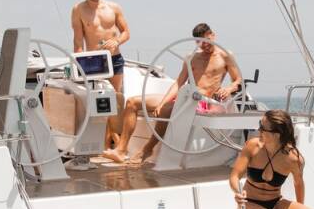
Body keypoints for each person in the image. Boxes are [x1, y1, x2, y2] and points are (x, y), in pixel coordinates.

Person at [104, 23, 242, 165]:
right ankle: (121, 150)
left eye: (207, 40)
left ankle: (147, 150)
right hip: (184, 97)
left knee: (166, 110)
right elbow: (178, 83)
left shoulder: (225, 55)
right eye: (200, 42)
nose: (205, 45)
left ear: (213, 35)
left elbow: (238, 80)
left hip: (202, 102)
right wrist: (163, 102)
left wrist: (228, 89)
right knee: (132, 102)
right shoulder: (191, 58)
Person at [71, 0, 130, 140]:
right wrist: (79, 65)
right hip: (94, 61)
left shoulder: (114, 7)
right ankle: (105, 141)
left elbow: (126, 32)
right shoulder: (78, 10)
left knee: (115, 99)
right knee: (99, 101)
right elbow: (78, 41)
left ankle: (114, 140)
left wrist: (116, 41)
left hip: (115, 59)